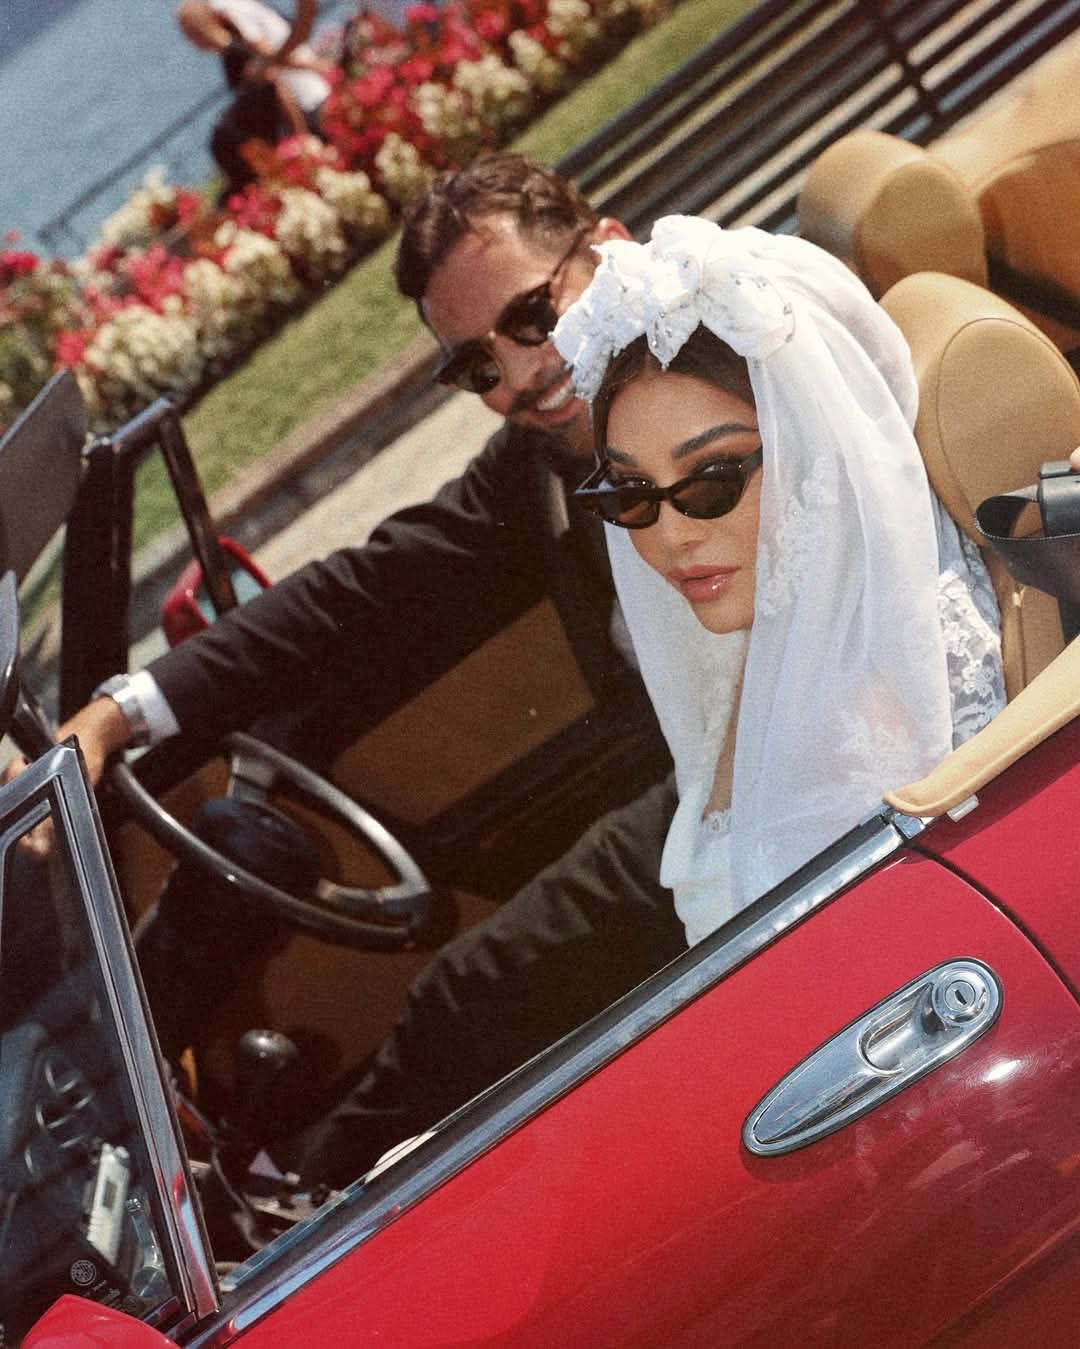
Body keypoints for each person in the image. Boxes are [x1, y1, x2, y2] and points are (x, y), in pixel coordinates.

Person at [15, 154, 684, 1184]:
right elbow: (360, 590)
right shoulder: (545, 459)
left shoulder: (712, 396)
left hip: (763, 784)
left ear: (610, 247)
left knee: (465, 993)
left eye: (532, 316)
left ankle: (308, 1216)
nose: (518, 375)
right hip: (691, 764)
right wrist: (113, 716)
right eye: (476, 367)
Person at [550, 215, 1007, 943]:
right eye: (630, 494)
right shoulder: (767, 628)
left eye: (712, 479)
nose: (670, 535)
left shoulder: (875, 712)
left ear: (816, 446)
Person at [177, 0, 333, 198]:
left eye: (189, 33)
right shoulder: (233, 49)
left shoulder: (236, 52)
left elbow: (276, 84)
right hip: (292, 123)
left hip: (302, 116)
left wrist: (301, 137)